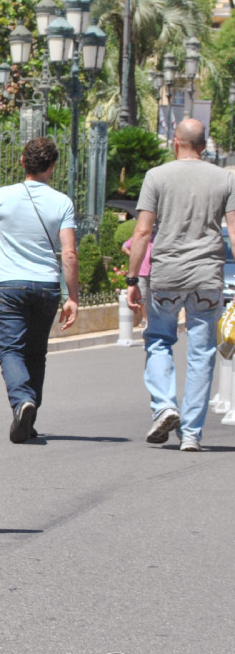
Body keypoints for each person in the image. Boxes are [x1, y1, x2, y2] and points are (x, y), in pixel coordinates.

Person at [126, 118, 235, 452]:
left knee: (159, 339)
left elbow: (143, 232)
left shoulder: (157, 176)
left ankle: (164, 406)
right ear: (203, 145)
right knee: (202, 353)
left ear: (176, 141)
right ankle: (191, 434)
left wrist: (132, 279)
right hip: (207, 277)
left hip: (166, 276)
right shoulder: (225, 178)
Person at [0, 136, 79, 444]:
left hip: (11, 285)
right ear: (52, 167)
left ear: (22, 162)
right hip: (47, 286)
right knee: (36, 352)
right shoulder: (62, 202)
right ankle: (29, 414)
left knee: (10, 350)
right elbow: (69, 253)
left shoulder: (2, 196)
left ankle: (23, 401)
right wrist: (72, 297)